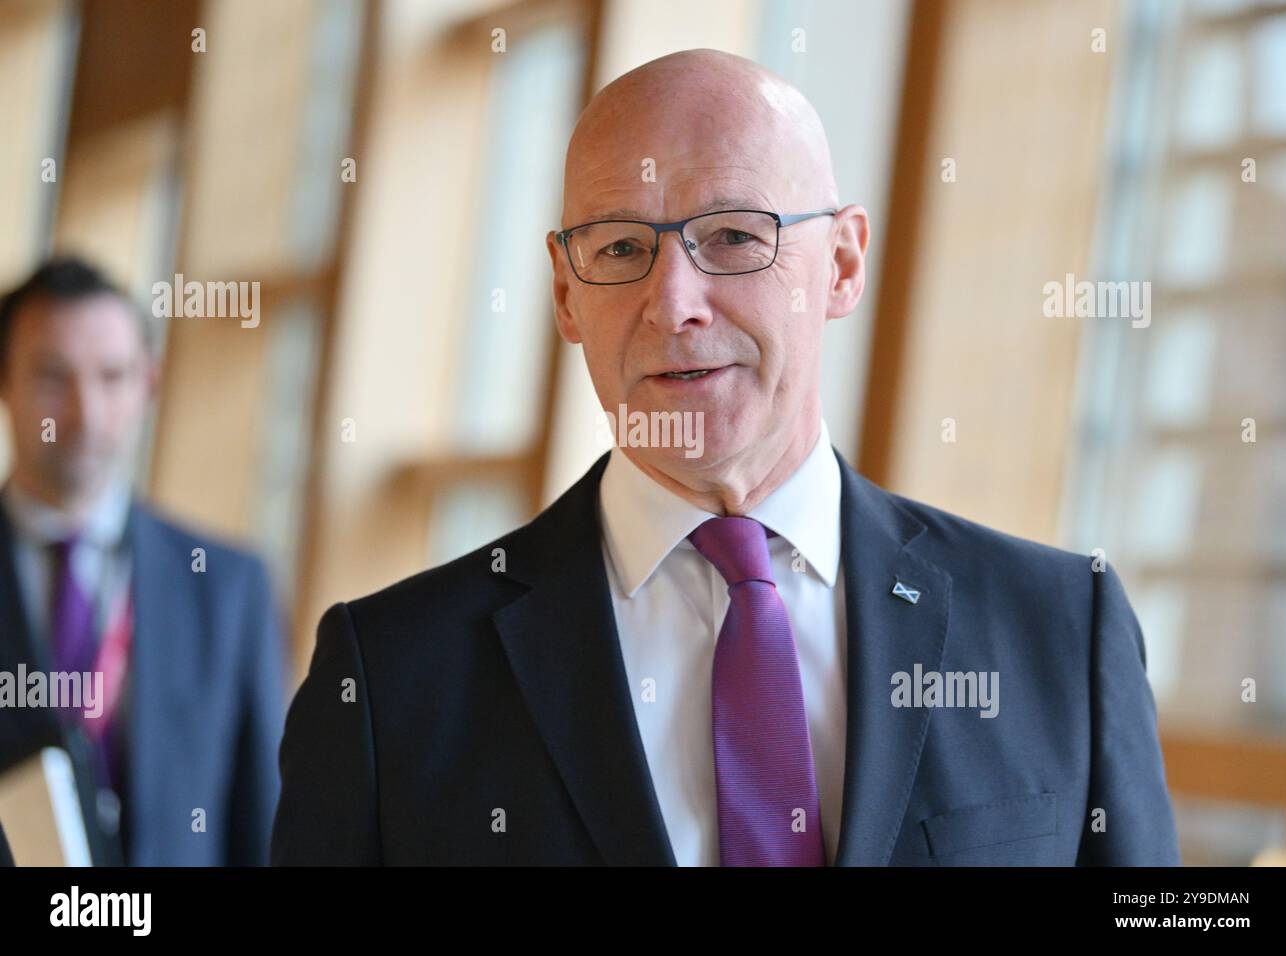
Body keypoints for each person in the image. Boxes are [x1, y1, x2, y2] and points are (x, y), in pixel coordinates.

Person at [272, 49, 1179, 866]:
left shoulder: (1060, 628)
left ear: (844, 265)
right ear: (563, 294)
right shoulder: (392, 677)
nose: (673, 305)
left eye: (736, 236)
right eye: (621, 247)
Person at [0, 256, 286, 865]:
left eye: (112, 376)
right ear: (5, 380)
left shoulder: (227, 589)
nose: (86, 414)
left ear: (149, 384)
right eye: (53, 377)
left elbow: (260, 827)